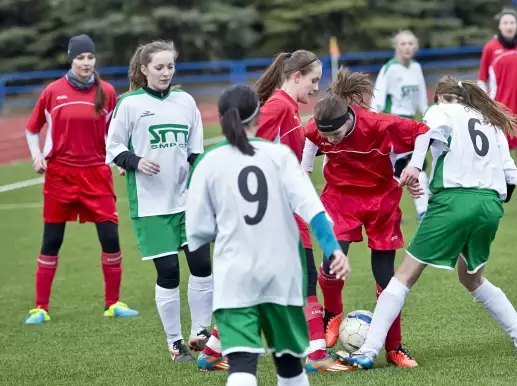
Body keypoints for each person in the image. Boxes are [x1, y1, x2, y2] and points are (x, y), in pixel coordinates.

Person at [339, 76, 517, 370]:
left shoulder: (440, 111)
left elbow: (426, 134)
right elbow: (510, 175)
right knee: (471, 278)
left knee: (403, 277)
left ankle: (367, 350)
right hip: (490, 204)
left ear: (442, 98)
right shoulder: (489, 119)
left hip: (453, 200)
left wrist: (415, 165)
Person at [197, 50, 355, 373]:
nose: (316, 88)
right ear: (296, 77)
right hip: (278, 212)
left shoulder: (291, 109)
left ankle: (213, 350)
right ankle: (315, 354)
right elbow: (245, 144)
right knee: (306, 276)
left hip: (286, 208)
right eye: (312, 80)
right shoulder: (279, 107)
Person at [301, 69, 430, 368]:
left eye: (334, 134)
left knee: (386, 278)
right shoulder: (316, 129)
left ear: (348, 117)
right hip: (340, 199)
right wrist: (302, 178)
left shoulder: (378, 123)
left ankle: (394, 347)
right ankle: (332, 313)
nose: (329, 141)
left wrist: (414, 166)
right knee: (333, 261)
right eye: (325, 136)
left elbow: (423, 131)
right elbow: (306, 157)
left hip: (381, 200)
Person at [105, 40, 213, 362]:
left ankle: (201, 334)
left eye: (170, 66)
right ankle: (175, 342)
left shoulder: (185, 101)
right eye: (159, 67)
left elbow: (196, 151)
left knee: (202, 266)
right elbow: (113, 149)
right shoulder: (130, 104)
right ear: (144, 69)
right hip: (151, 205)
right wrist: (136, 162)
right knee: (168, 272)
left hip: (187, 201)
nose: (166, 73)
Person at [23, 34, 138, 325]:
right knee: (51, 241)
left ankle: (113, 303)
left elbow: (117, 132)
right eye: (80, 58)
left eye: (89, 57)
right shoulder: (53, 91)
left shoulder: (108, 91)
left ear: (94, 59)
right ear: (71, 59)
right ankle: (40, 308)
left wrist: (121, 159)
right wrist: (37, 156)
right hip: (60, 176)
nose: (86, 63)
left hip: (97, 174)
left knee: (110, 238)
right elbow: (32, 128)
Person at [478, 8, 517, 216]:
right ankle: (493, 202)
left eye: (512, 23)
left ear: (516, 25)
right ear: (500, 26)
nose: (509, 26)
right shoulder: (490, 48)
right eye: (505, 23)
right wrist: (486, 103)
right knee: (496, 159)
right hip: (500, 113)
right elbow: (481, 79)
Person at [373, 30, 430, 222]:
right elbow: (378, 100)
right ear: (396, 47)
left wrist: (429, 118)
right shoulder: (390, 69)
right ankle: (389, 212)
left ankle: (423, 211)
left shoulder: (416, 68)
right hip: (393, 124)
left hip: (411, 125)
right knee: (394, 170)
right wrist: (376, 124)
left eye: (410, 43)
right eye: (403, 44)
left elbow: (422, 98)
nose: (407, 47)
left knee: (419, 166)